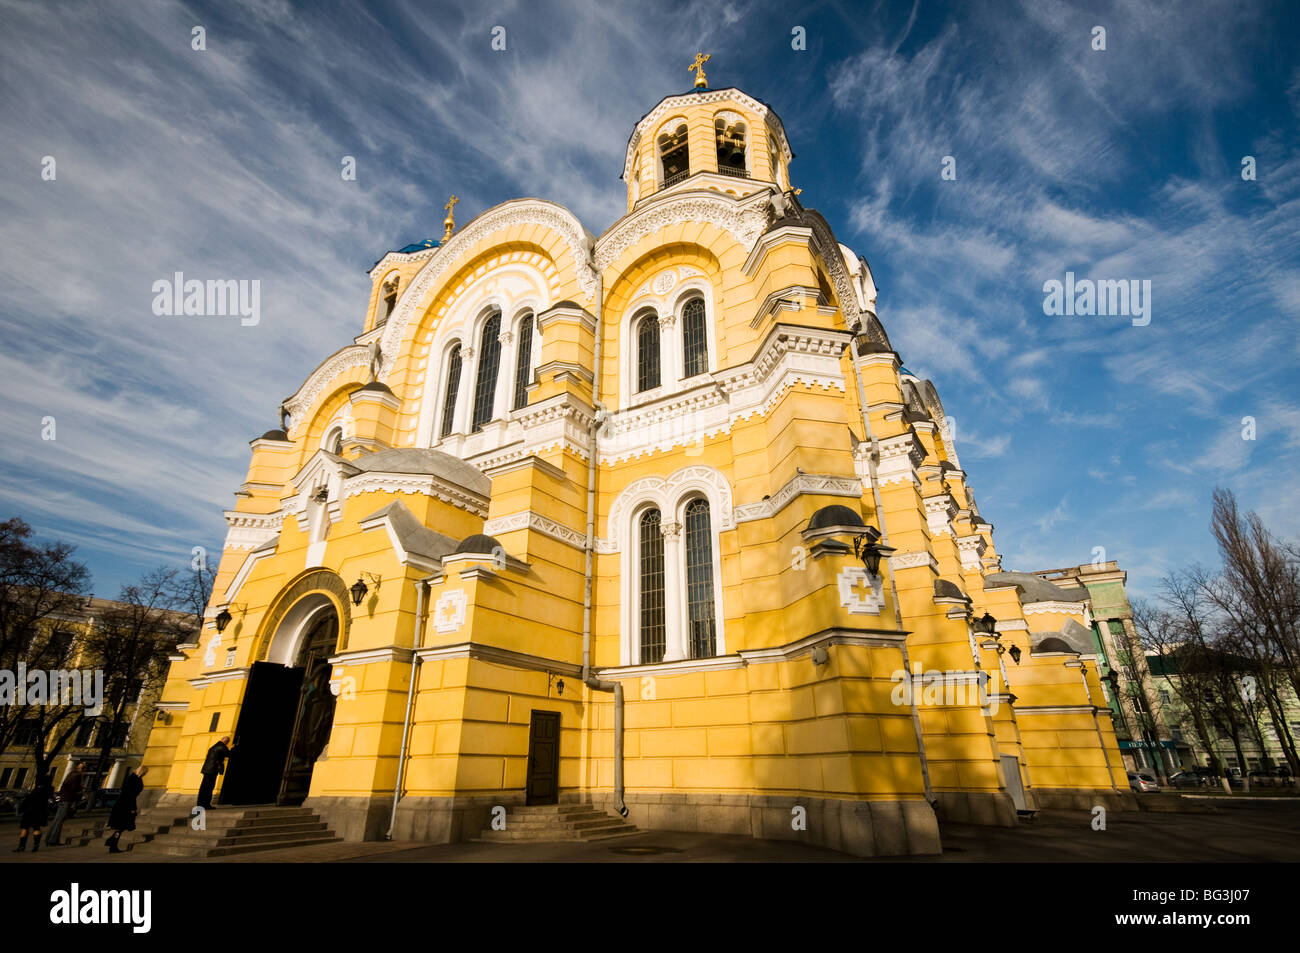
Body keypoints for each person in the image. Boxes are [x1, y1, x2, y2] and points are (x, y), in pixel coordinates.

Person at [105, 766, 147, 854]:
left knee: (121, 827)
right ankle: (113, 843)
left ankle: (112, 841)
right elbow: (130, 795)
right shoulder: (134, 780)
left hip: (122, 805)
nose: (145, 774)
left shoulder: (132, 778)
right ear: (142, 772)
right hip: (125, 806)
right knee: (121, 826)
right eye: (145, 772)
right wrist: (132, 808)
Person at [45, 762, 86, 846]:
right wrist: (80, 790)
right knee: (60, 820)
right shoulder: (77, 776)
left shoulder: (70, 775)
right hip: (68, 799)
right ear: (82, 769)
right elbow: (73, 788)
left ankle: (49, 838)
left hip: (63, 798)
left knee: (57, 819)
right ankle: (53, 840)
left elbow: (65, 786)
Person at [13, 774, 55, 853]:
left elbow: (28, 800)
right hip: (41, 812)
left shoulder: (37, 790)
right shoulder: (49, 789)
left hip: (30, 811)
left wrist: (22, 808)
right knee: (36, 828)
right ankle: (36, 846)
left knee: (25, 828)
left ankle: (21, 846)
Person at [196, 736, 234, 810]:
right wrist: (232, 749)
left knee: (203, 788)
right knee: (209, 788)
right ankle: (206, 805)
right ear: (226, 742)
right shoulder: (222, 747)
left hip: (206, 769)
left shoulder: (213, 746)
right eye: (227, 742)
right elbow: (229, 755)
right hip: (212, 770)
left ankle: (200, 804)